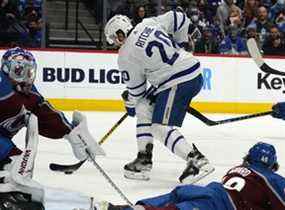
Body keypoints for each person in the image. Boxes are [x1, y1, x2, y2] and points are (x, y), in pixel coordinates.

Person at [104, 11, 214, 183]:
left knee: (158, 127)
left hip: (177, 80)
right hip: (186, 71)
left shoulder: (125, 55)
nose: (116, 45)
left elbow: (137, 93)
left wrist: (129, 102)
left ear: (119, 35)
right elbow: (178, 17)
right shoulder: (146, 23)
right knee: (144, 108)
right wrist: (185, 37)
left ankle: (197, 162)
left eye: (115, 40)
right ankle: (143, 160)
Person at [0, 47, 105, 180]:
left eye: (28, 71)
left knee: (17, 164)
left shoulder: (27, 92)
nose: (25, 76)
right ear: (6, 69)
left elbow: (45, 114)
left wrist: (71, 134)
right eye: (19, 70)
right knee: (15, 163)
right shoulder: (2, 88)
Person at [94, 141, 285, 210]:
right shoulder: (272, 179)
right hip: (217, 205)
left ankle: (128, 208)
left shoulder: (236, 169)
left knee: (170, 198)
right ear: (272, 164)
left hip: (205, 191)